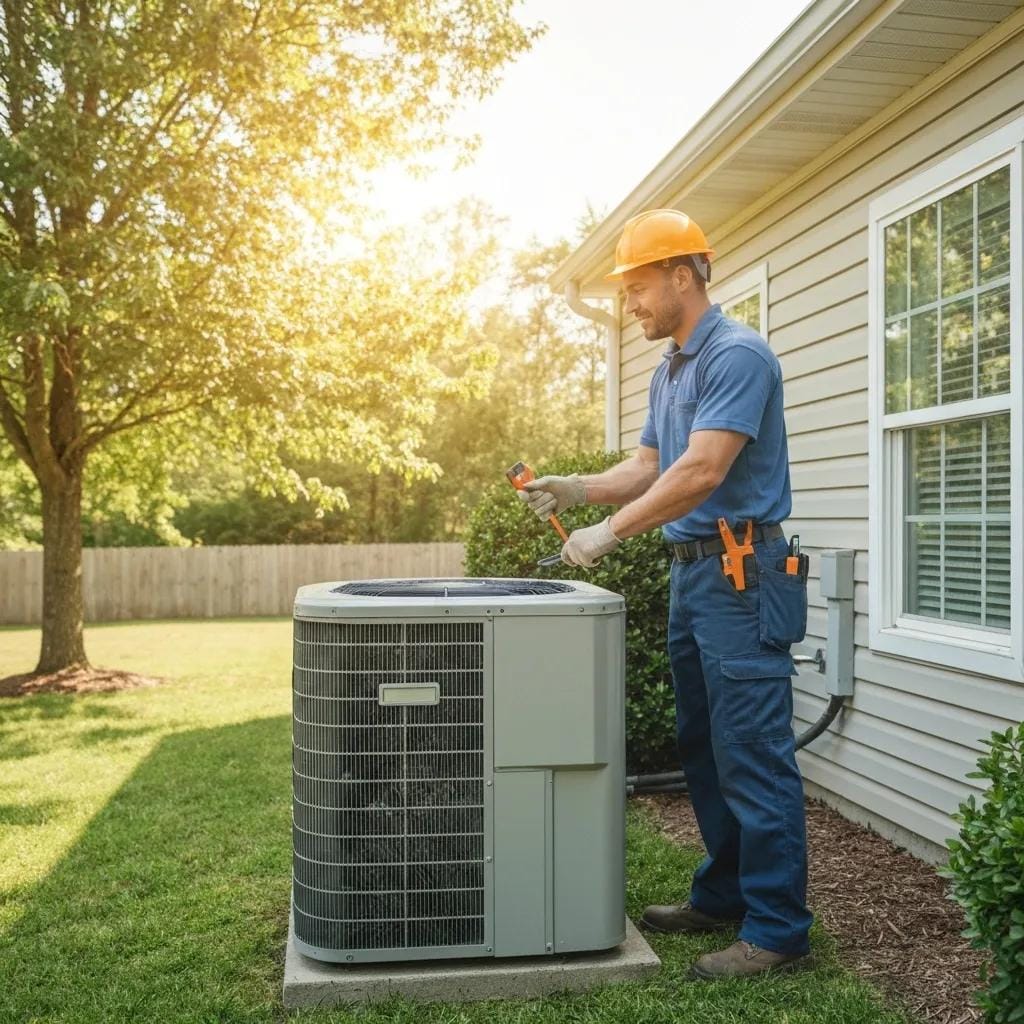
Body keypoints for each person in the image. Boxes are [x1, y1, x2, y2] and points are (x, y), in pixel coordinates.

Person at [519, 208, 813, 980]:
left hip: (741, 574)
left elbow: (702, 471)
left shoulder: (739, 356)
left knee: (753, 751)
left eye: (639, 289)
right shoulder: (672, 368)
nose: (631, 306)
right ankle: (724, 896)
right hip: (695, 576)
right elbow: (651, 465)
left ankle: (779, 931)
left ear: (683, 276)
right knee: (705, 749)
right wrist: (575, 488)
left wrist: (606, 535)